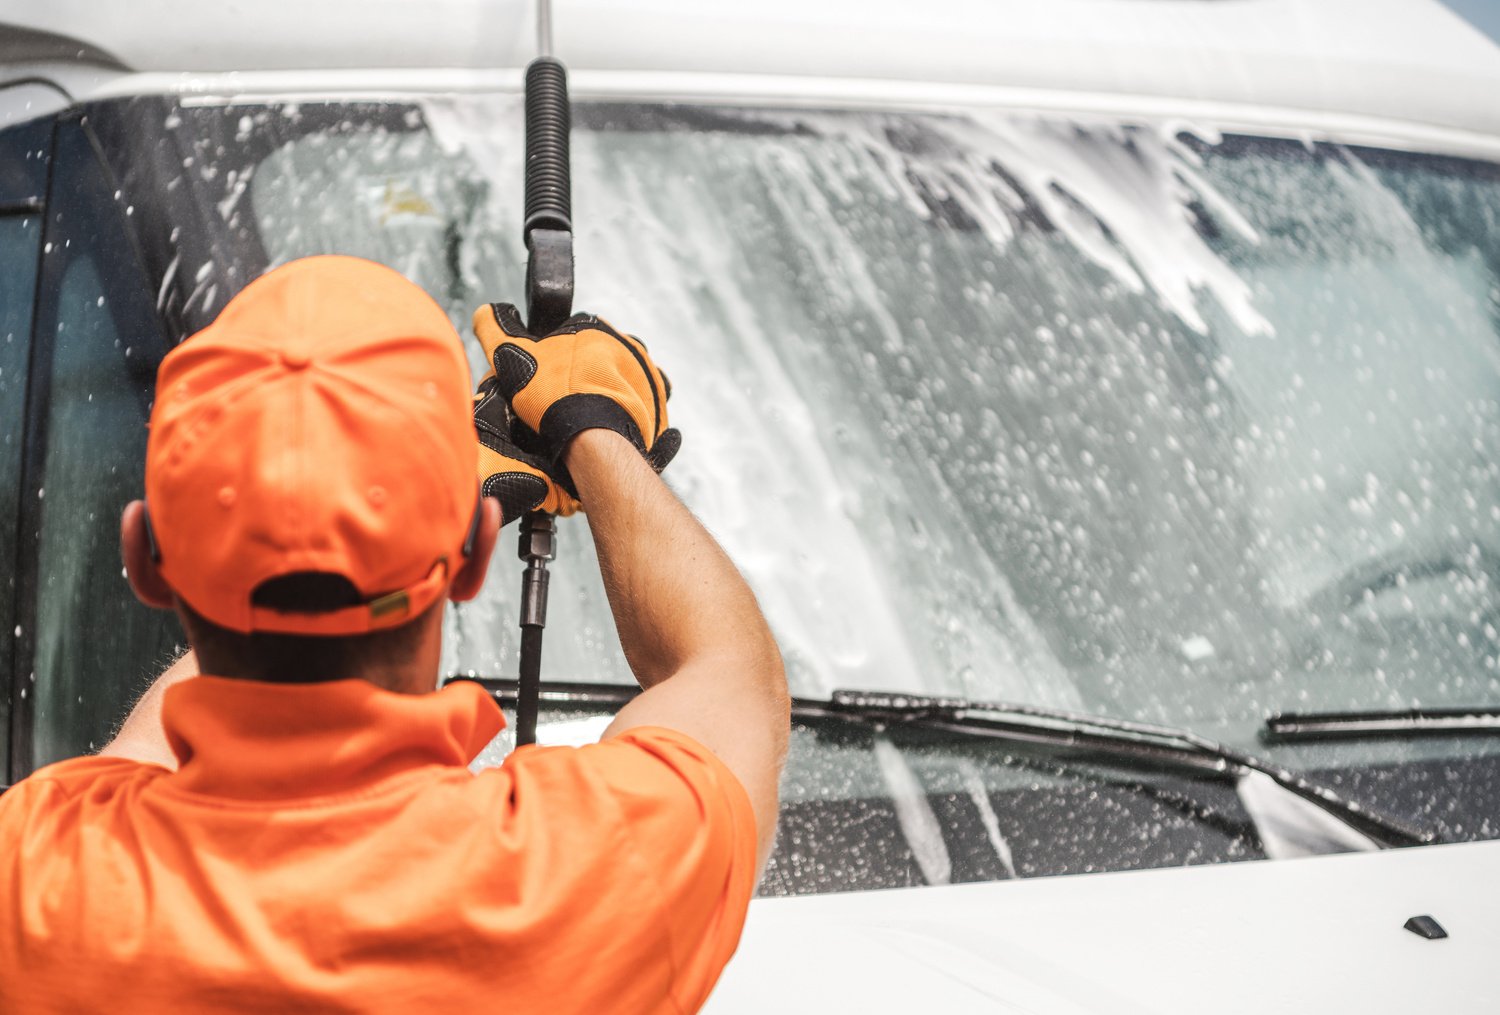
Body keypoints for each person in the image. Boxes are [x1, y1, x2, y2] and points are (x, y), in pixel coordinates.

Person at [0, 255, 789, 1013]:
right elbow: (733, 676)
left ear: (143, 562)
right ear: (477, 557)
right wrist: (594, 430)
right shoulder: (574, 875)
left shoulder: (35, 881)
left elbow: (133, 764)